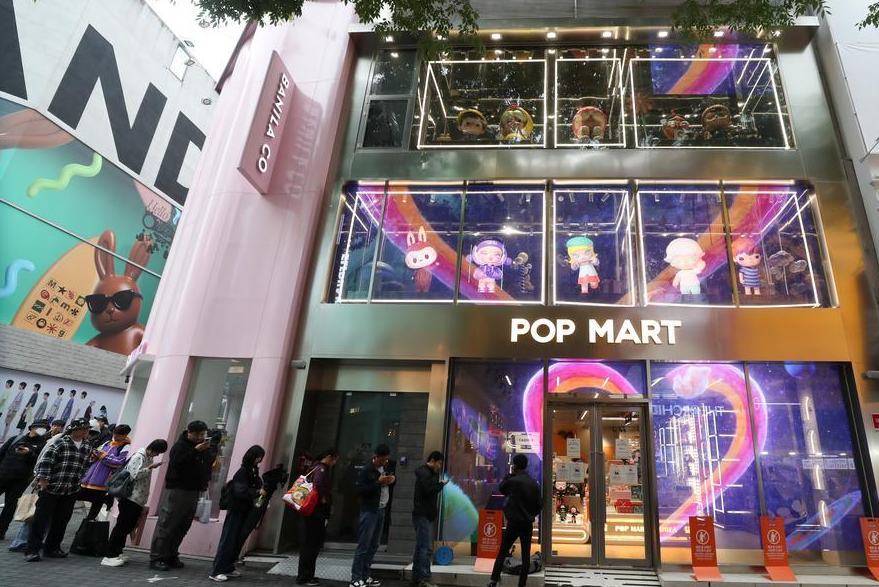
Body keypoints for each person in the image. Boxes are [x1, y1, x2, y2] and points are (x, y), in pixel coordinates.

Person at [149, 420, 217, 571]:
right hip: (177, 489)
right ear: (189, 432)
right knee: (167, 524)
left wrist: (211, 447)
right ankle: (157, 557)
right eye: (197, 434)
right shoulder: (180, 446)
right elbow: (178, 464)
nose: (200, 437)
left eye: (203, 434)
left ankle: (171, 555)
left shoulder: (202, 447)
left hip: (194, 490)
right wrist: (196, 451)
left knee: (183, 525)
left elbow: (208, 464)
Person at [25, 418, 92, 561]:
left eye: (87, 429)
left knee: (62, 521)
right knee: (40, 520)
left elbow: (86, 464)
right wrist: (43, 481)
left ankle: (52, 548)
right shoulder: (60, 443)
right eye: (83, 429)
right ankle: (32, 550)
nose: (86, 432)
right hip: (52, 487)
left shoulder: (87, 446)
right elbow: (45, 462)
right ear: (74, 430)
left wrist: (81, 478)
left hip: (71, 489)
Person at [100, 438, 168, 567]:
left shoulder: (148, 457)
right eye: (158, 452)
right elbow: (134, 475)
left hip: (138, 498)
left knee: (128, 526)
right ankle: (109, 555)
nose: (157, 455)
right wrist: (150, 468)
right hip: (130, 497)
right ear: (153, 448)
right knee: (122, 526)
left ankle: (117, 552)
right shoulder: (139, 456)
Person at [8, 419, 67, 552]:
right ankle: (21, 542)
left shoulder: (51, 439)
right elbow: (41, 459)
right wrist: (37, 477)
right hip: (44, 482)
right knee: (35, 514)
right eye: (54, 425)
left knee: (43, 515)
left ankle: (29, 541)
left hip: (53, 483)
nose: (55, 427)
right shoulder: (53, 440)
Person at [209, 445, 266, 582]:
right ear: (252, 456)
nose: (260, 460)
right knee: (228, 540)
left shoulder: (252, 471)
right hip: (236, 510)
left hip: (243, 510)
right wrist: (257, 492)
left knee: (236, 540)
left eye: (261, 457)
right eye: (258, 457)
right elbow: (241, 491)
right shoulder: (243, 472)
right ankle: (217, 571)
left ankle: (228, 567)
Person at [487, 454, 542, 587]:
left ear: (515, 466)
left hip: (513, 523)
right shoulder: (533, 483)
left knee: (503, 551)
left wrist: (509, 475)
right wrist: (530, 515)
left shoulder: (512, 481)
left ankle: (494, 581)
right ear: (526, 466)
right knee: (525, 555)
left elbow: (502, 488)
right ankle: (521, 584)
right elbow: (539, 505)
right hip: (527, 524)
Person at [349, 444, 395, 587]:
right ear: (375, 457)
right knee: (364, 544)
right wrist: (378, 482)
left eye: (386, 459)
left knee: (374, 544)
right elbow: (361, 490)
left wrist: (392, 480)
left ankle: (365, 575)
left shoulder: (385, 467)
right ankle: (355, 578)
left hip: (382, 509)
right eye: (382, 459)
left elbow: (390, 482)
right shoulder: (367, 470)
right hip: (369, 510)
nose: (384, 462)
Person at [0, 418, 49, 539]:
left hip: (20, 480)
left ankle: (1, 530)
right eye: (41, 427)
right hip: (3, 475)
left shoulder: (43, 445)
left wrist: (29, 453)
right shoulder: (16, 439)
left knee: (10, 506)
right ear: (32, 427)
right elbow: (1, 453)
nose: (43, 430)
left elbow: (40, 461)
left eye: (45, 428)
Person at [297, 448, 339, 586]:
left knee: (310, 544)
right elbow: (319, 484)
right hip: (315, 513)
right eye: (335, 459)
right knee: (311, 544)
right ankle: (305, 577)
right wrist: (325, 501)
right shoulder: (321, 469)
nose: (335, 462)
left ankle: (308, 575)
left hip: (310, 512)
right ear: (329, 457)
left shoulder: (315, 466)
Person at [78, 424, 131, 520]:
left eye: (118, 435)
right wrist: (95, 455)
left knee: (94, 509)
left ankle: (87, 526)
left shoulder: (125, 447)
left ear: (125, 435)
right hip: (88, 480)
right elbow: (96, 454)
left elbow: (119, 462)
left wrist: (103, 455)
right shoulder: (107, 443)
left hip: (102, 484)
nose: (115, 436)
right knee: (75, 496)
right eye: (114, 434)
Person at [411, 451, 447, 587]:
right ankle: (425, 578)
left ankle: (416, 577)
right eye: (439, 463)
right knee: (426, 548)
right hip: (422, 515)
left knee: (420, 547)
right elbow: (429, 490)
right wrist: (441, 484)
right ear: (432, 461)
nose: (439, 466)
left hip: (424, 515)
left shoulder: (428, 473)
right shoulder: (425, 473)